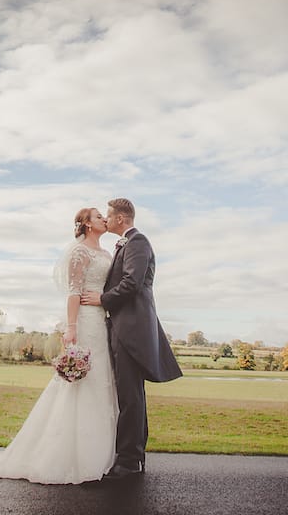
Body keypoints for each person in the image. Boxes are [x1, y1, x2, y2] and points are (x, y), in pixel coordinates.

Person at [0, 207, 118, 485]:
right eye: (98, 216)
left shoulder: (106, 254)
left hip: (101, 321)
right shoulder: (79, 252)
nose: (103, 219)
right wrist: (71, 327)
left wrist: (104, 300)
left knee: (101, 380)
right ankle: (64, 453)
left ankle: (100, 453)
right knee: (80, 382)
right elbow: (74, 291)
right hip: (85, 321)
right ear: (87, 224)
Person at [80, 197, 182, 481]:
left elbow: (131, 283)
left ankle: (128, 462)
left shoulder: (137, 242)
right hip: (123, 328)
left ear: (120, 220)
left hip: (131, 330)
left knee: (130, 396)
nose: (107, 220)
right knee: (131, 395)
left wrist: (102, 299)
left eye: (109, 216)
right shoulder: (126, 243)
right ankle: (133, 457)